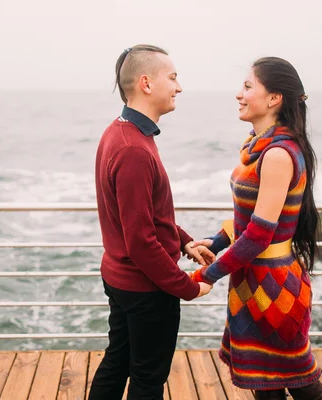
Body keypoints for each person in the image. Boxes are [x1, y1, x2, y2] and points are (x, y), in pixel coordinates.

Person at [189, 57, 322, 400]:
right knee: (264, 383)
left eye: (248, 86)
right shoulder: (258, 145)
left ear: (274, 98)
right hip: (252, 282)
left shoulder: (279, 154)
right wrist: (218, 239)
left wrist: (207, 275)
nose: (239, 94)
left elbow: (260, 234)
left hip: (275, 286)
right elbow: (248, 218)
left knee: (298, 378)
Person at [90, 44, 214, 400]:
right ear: (146, 83)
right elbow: (141, 241)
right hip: (143, 289)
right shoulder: (133, 149)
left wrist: (184, 241)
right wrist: (187, 288)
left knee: (118, 361)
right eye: (172, 77)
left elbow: (147, 216)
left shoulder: (121, 131)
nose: (179, 87)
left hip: (119, 277)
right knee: (147, 379)